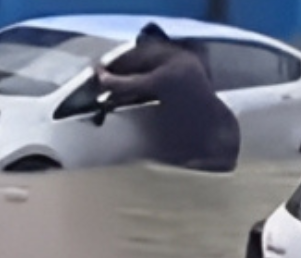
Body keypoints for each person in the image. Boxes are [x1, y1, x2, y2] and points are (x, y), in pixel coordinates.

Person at [94, 23, 241, 173]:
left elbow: (127, 85)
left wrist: (101, 73)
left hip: (214, 140)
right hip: (213, 132)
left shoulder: (179, 70)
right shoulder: (189, 61)